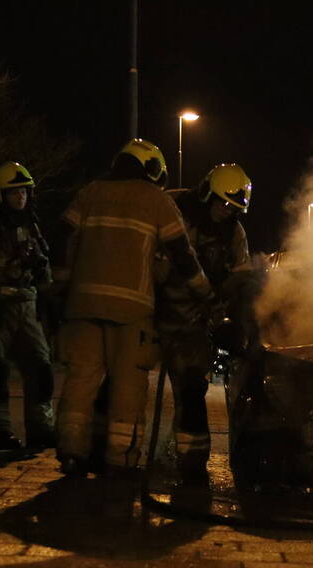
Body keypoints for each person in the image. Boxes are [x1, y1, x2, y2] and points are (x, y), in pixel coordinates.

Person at [54, 139, 214, 477]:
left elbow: (61, 234)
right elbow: (183, 255)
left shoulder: (90, 192)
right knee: (128, 385)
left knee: (80, 381)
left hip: (82, 305)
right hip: (131, 311)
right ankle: (120, 460)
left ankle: (71, 452)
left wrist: (63, 281)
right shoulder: (157, 200)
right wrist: (205, 291)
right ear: (153, 170)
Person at [155, 163, 261, 481]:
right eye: (222, 203)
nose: (225, 212)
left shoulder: (234, 233)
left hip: (194, 323)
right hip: (154, 313)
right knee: (122, 385)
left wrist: (235, 316)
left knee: (192, 389)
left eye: (233, 208)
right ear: (206, 194)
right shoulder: (176, 213)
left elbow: (240, 278)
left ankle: (192, 464)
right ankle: (110, 456)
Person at [0, 161, 56, 451]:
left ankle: (41, 429)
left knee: (41, 368)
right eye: (14, 193)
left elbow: (43, 270)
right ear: (0, 196)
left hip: (26, 306)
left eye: (24, 192)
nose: (21, 198)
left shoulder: (32, 226)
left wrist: (50, 301)